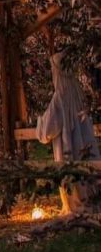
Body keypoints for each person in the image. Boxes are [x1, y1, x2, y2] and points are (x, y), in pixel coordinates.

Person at [37, 50, 100, 211]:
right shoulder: (79, 93)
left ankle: (78, 206)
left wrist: (40, 122)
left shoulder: (60, 96)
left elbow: (47, 130)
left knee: (73, 178)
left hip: (69, 149)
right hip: (84, 146)